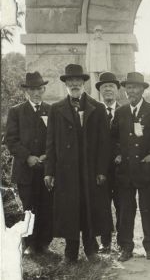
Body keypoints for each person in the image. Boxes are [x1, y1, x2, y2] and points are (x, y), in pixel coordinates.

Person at [44, 64, 112, 263]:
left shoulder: (97, 108)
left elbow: (104, 143)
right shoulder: (56, 109)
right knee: (69, 210)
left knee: (89, 208)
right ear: (66, 84)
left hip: (89, 170)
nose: (74, 84)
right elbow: (50, 143)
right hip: (66, 171)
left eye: (78, 81)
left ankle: (91, 250)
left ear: (83, 83)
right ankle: (70, 253)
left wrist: (101, 171)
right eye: (70, 81)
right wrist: (49, 172)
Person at [112, 72, 150, 261]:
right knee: (125, 211)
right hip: (125, 172)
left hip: (147, 172)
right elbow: (112, 138)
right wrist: (117, 154)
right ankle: (126, 247)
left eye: (135, 87)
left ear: (142, 89)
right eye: (128, 87)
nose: (131, 91)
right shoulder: (120, 112)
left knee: (148, 210)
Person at [5, 71, 53, 255]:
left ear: (44, 90)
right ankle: (29, 244)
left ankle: (44, 242)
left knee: (46, 205)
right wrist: (28, 157)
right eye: (32, 90)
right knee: (28, 207)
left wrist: (46, 156)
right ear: (27, 92)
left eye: (39, 89)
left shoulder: (51, 110)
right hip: (25, 169)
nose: (36, 93)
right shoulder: (16, 111)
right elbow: (11, 139)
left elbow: (55, 138)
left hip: (45, 168)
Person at [95, 71, 122, 253]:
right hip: (101, 169)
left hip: (121, 168)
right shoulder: (95, 113)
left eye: (111, 87)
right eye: (105, 87)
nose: (108, 90)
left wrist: (121, 154)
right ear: (100, 91)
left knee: (122, 205)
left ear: (117, 90)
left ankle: (122, 241)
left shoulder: (125, 111)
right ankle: (106, 242)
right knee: (103, 206)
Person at [85, 25, 111, 100]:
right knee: (94, 84)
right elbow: (88, 55)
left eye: (100, 32)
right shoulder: (90, 43)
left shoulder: (106, 43)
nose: (98, 33)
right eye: (97, 31)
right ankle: (95, 99)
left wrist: (108, 68)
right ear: (94, 33)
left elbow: (108, 56)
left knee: (103, 83)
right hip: (93, 66)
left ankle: (103, 100)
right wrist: (88, 67)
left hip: (103, 66)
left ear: (102, 33)